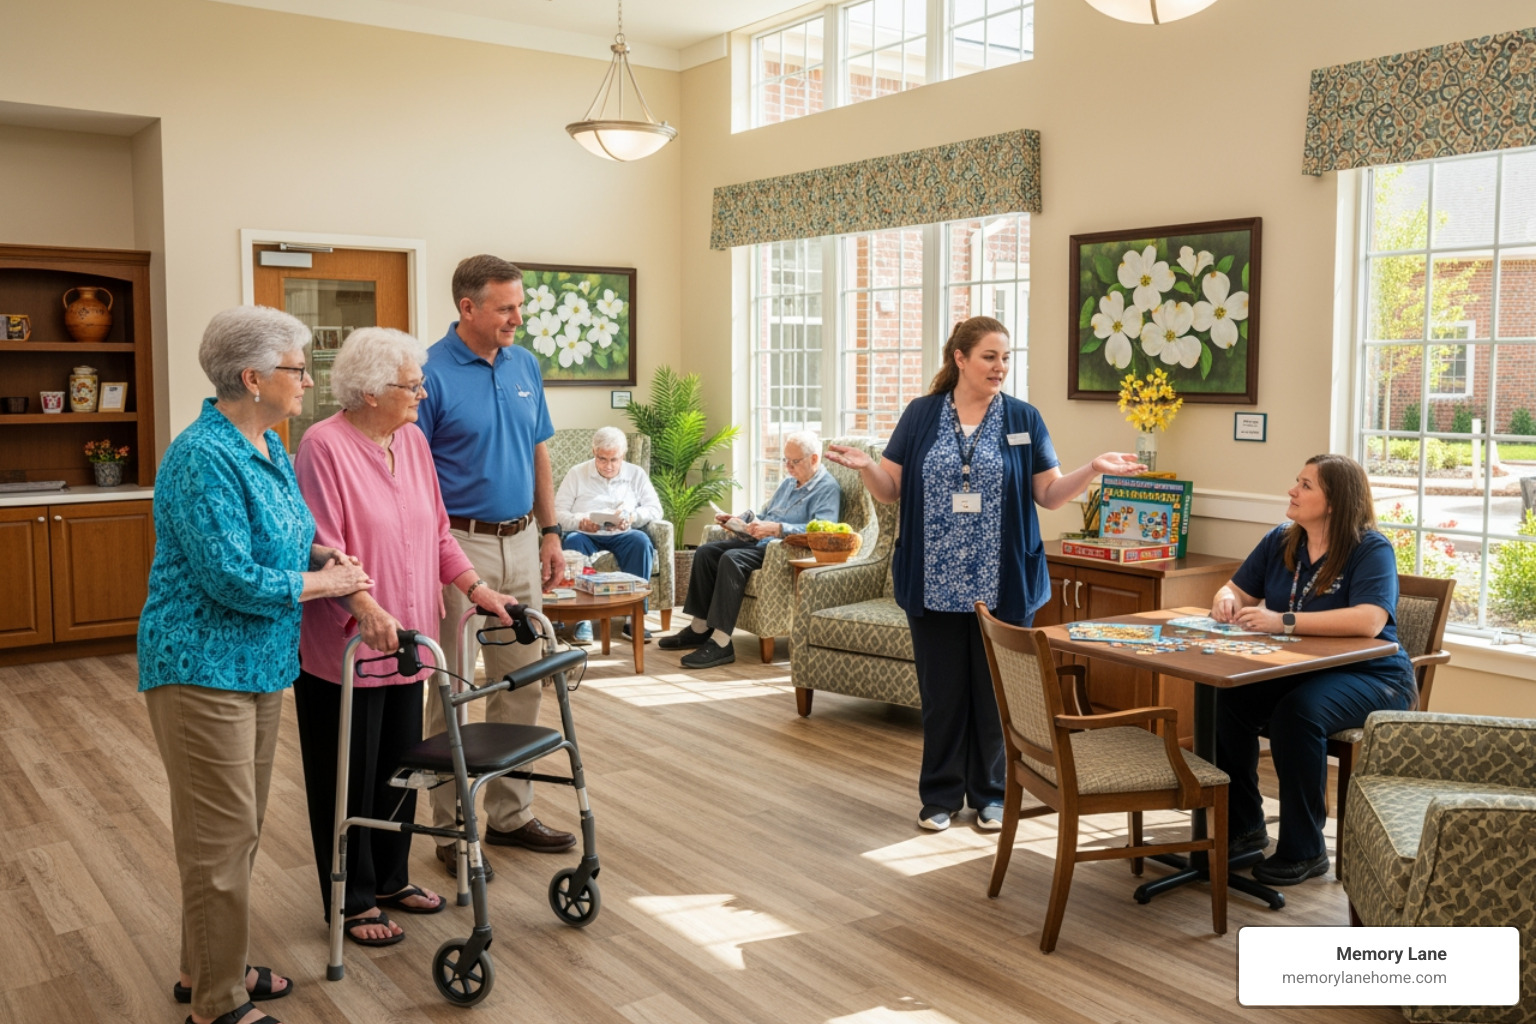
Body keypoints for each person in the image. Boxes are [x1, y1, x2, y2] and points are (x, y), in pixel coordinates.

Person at [138, 306, 374, 1024]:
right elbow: (229, 575)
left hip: (261, 665)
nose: (309, 380)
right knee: (220, 840)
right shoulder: (201, 455)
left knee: (233, 835)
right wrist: (328, 586)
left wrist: (317, 555)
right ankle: (217, 1004)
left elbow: (276, 538)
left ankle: (202, 967)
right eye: (299, 368)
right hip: (200, 665)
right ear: (252, 376)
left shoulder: (267, 443)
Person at [824, 316, 1142, 833]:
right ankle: (941, 796)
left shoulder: (1023, 418)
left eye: (1006, 357)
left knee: (997, 697)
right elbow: (890, 490)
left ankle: (993, 794)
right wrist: (866, 466)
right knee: (943, 695)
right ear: (960, 359)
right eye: (990, 357)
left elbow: (1048, 494)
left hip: (1003, 581)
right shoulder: (922, 415)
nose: (1000, 367)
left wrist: (1093, 470)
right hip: (933, 581)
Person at [292, 327, 518, 946]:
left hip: (412, 639)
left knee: (399, 768)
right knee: (348, 773)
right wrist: (363, 606)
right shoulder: (323, 447)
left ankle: (390, 879)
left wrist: (477, 590)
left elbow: (441, 532)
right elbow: (322, 547)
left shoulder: (412, 441)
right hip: (348, 646)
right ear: (368, 391)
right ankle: (351, 897)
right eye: (409, 384)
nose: (422, 391)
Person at [417, 254, 575, 875]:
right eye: (506, 307)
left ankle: (508, 815)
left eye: (520, 305)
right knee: (451, 688)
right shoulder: (429, 373)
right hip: (459, 546)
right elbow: (418, 479)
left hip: (522, 542)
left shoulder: (523, 364)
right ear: (468, 308)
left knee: (524, 680)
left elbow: (539, 450)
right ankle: (452, 831)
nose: (518, 318)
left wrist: (552, 532)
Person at [1211, 454, 1416, 886]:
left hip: (1375, 677)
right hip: (1302, 671)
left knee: (1297, 713)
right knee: (1228, 697)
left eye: (1305, 485)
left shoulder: (1370, 548)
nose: (1292, 490)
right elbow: (1236, 588)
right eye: (1296, 481)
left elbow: (1370, 620)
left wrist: (1282, 620)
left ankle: (1305, 850)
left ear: (1335, 502)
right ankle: (1245, 827)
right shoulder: (1282, 540)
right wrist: (1226, 599)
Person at [659, 429, 840, 669]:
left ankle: (722, 643)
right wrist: (740, 521)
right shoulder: (788, 483)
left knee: (732, 559)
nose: (788, 467)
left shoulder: (827, 489)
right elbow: (765, 515)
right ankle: (699, 628)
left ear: (814, 459)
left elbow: (822, 531)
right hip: (759, 541)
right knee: (706, 553)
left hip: (783, 549)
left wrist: (777, 529)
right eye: (785, 460)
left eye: (794, 462)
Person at [553, 425, 663, 645]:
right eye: (603, 459)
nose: (609, 466)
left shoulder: (636, 474)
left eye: (614, 460)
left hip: (623, 533)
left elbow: (655, 509)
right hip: (585, 533)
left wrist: (631, 517)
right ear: (594, 452)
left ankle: (634, 618)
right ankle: (581, 618)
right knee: (572, 542)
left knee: (641, 542)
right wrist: (580, 521)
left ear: (623, 455)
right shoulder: (577, 473)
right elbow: (557, 512)